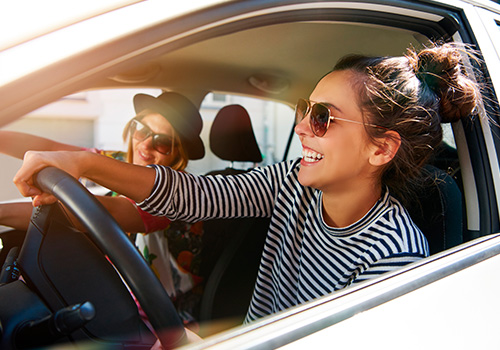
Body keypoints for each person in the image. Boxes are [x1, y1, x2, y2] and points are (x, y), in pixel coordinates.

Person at [13, 42, 480, 330]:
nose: (301, 128)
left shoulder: (395, 258)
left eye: (323, 117)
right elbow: (193, 195)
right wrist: (80, 162)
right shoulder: (291, 183)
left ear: (381, 149)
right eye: (303, 108)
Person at [0, 91, 206, 327]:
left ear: (179, 153)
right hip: (115, 298)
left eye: (162, 142)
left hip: (160, 321)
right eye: (142, 130)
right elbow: (50, 149)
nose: (145, 146)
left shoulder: (177, 195)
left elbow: (99, 213)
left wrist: (2, 212)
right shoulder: (119, 162)